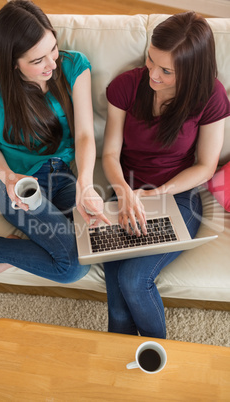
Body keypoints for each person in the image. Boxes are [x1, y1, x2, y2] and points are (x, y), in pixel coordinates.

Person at [0, 0, 110, 289]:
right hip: (17, 185)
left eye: (53, 49)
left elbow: (83, 136)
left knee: (95, 241)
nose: (52, 64)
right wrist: (8, 178)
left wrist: (86, 184)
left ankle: (7, 250)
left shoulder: (74, 66)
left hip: (62, 176)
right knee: (72, 267)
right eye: (37, 60)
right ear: (11, 62)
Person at [102, 11, 230, 338]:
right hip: (126, 192)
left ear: (191, 72)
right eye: (150, 60)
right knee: (116, 302)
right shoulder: (127, 86)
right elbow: (110, 154)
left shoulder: (211, 97)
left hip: (178, 196)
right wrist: (125, 193)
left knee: (133, 279)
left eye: (166, 71)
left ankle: (159, 358)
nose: (152, 75)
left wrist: (158, 194)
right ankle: (121, 372)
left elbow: (205, 165)